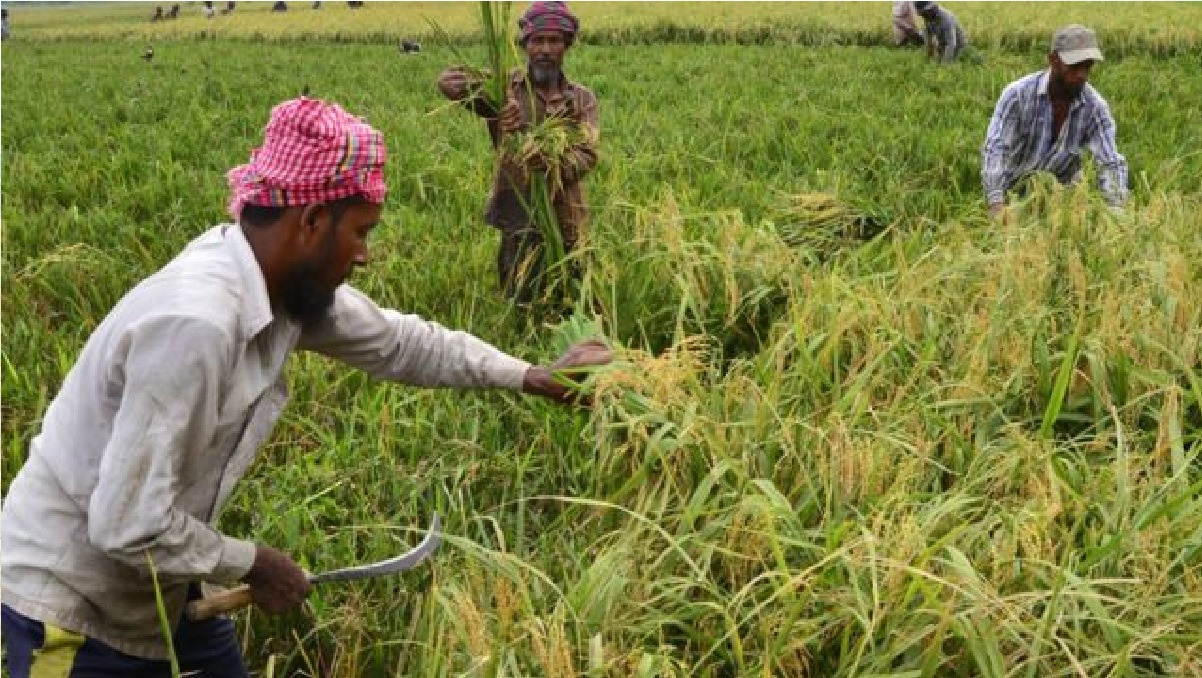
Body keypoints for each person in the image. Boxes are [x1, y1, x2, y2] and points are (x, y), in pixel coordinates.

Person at [0, 96, 612, 678]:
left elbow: (401, 342)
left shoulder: (283, 287)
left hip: (166, 574)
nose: (365, 256)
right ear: (313, 219)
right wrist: (255, 564)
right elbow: (125, 523)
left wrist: (530, 376)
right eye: (362, 232)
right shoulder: (195, 326)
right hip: (76, 603)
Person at [437, 1, 599, 306]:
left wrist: (551, 163)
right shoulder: (505, 87)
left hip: (565, 213)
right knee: (520, 296)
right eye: (537, 40)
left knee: (574, 295)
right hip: (517, 211)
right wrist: (500, 106)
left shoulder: (581, 99)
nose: (545, 50)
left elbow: (587, 153)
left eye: (554, 41)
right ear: (525, 45)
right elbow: (447, 81)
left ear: (567, 46)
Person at [981, 25, 1128, 217]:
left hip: (1060, 197)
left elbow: (1110, 161)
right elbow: (996, 148)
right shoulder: (1017, 95)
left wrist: (1116, 214)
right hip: (1012, 191)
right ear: (1053, 60)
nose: (1082, 74)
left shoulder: (1095, 107)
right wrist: (996, 205)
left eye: (1088, 66)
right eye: (1074, 66)